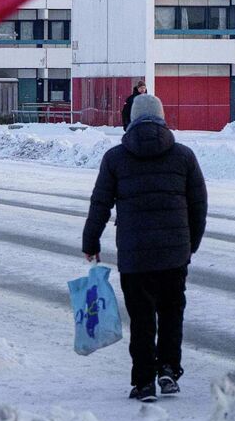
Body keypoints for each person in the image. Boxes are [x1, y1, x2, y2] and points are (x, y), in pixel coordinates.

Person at [83, 93, 207, 403]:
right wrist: (190, 244)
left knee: (141, 319)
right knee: (171, 313)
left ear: (131, 119)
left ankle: (143, 383)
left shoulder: (115, 158)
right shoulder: (184, 156)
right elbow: (198, 205)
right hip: (174, 254)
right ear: (163, 118)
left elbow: (100, 203)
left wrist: (91, 241)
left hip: (135, 256)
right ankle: (168, 369)